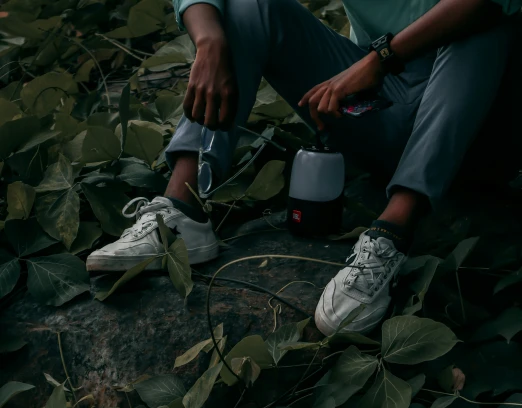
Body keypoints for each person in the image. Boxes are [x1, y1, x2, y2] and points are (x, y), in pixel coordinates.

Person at [87, 0, 520, 335]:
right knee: (248, 5)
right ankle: (183, 206)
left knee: (485, 18)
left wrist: (379, 58)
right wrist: (210, 40)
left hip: (481, 125)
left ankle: (393, 232)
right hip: (387, 104)